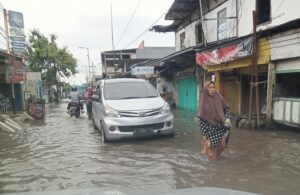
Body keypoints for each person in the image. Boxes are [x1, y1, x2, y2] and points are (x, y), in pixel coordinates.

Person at [197, 81, 231, 160]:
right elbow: (201, 120)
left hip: (222, 126)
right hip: (210, 128)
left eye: (214, 87)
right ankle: (211, 164)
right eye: (210, 87)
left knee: (223, 145)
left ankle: (214, 157)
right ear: (206, 89)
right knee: (211, 148)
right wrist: (204, 135)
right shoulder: (203, 101)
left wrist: (228, 118)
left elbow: (226, 109)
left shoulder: (219, 97)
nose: (212, 89)